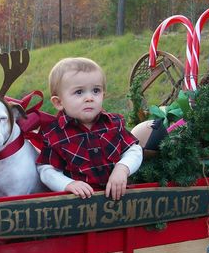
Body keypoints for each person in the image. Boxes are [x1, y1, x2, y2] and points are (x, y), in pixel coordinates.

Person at [36, 57, 142, 200]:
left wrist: (123, 168)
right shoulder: (54, 134)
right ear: (59, 102)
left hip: (118, 197)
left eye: (96, 91)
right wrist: (68, 184)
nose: (89, 98)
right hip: (79, 204)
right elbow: (47, 170)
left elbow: (134, 150)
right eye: (79, 92)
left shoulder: (114, 124)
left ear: (103, 95)